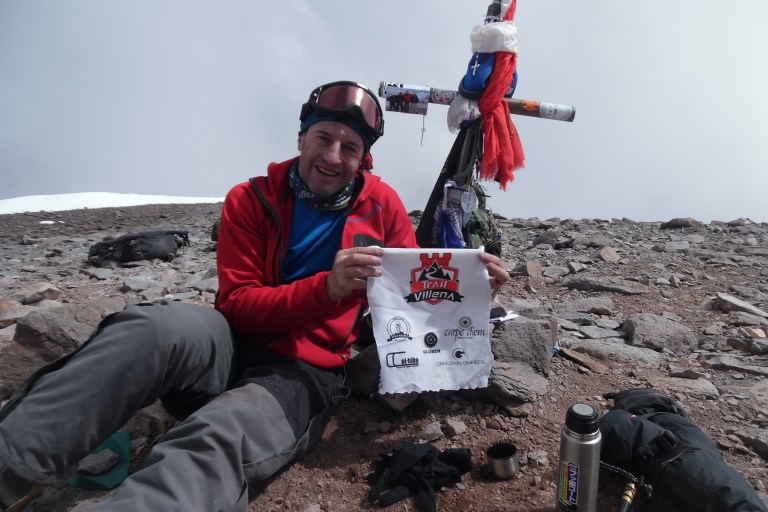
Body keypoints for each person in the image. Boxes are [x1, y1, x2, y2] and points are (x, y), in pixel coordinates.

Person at [0, 80, 509, 512]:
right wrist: (327, 288)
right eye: (323, 137)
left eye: (350, 147)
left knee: (223, 434)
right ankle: (13, 466)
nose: (333, 156)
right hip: (229, 344)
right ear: (301, 137)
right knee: (152, 328)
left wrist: (470, 294)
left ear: (364, 157)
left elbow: (411, 296)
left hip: (305, 372)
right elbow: (239, 307)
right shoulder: (250, 198)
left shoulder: (384, 207)